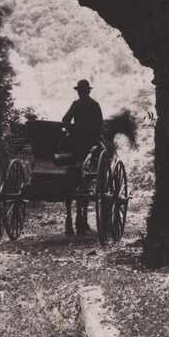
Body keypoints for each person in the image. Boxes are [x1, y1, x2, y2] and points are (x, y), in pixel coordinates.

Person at [59, 80, 102, 237]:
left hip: (75, 143)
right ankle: (81, 220)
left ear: (79, 91)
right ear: (88, 91)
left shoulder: (76, 104)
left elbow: (65, 119)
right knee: (93, 162)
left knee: (73, 167)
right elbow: (100, 125)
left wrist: (71, 130)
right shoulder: (94, 105)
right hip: (89, 144)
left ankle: (70, 221)